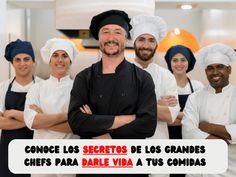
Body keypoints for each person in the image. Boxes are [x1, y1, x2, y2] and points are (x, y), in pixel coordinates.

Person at [68, 9, 157, 177]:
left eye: (117, 32)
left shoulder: (142, 78)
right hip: (91, 166)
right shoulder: (84, 78)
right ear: (99, 38)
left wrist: (98, 130)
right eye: (105, 32)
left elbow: (147, 125)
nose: (111, 38)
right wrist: (126, 119)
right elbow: (76, 122)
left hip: (131, 166)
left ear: (126, 37)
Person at [130, 14, 180, 177]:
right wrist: (158, 103)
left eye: (151, 40)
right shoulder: (120, 72)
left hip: (158, 148)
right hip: (127, 149)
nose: (146, 45)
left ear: (157, 44)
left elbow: (170, 116)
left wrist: (133, 106)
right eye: (142, 39)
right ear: (134, 42)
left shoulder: (166, 76)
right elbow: (115, 109)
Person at [24, 38, 79, 177]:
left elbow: (77, 126)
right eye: (55, 55)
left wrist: (44, 118)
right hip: (42, 160)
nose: (60, 60)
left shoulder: (79, 89)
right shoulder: (36, 89)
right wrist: (67, 116)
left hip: (68, 160)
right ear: (49, 60)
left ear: (70, 60)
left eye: (64, 56)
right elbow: (32, 122)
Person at [182, 43, 236, 177]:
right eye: (210, 68)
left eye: (220, 67)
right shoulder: (195, 98)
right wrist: (221, 140)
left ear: (229, 70)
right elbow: (188, 133)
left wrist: (206, 126)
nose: (215, 72)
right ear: (206, 72)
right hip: (199, 170)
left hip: (230, 169)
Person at [0, 39, 42, 177]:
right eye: (17, 59)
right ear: (12, 63)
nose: (22, 63)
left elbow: (47, 122)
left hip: (36, 151)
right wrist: (33, 119)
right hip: (9, 151)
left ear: (33, 61)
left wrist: (12, 114)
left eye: (26, 59)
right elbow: (1, 122)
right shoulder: (3, 87)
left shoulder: (43, 87)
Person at [164, 45, 204, 177]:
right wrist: (190, 118)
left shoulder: (198, 87)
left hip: (192, 143)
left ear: (189, 62)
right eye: (175, 60)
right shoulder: (163, 87)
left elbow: (202, 120)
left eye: (183, 60)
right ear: (170, 63)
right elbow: (163, 119)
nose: (179, 64)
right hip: (168, 141)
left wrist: (175, 116)